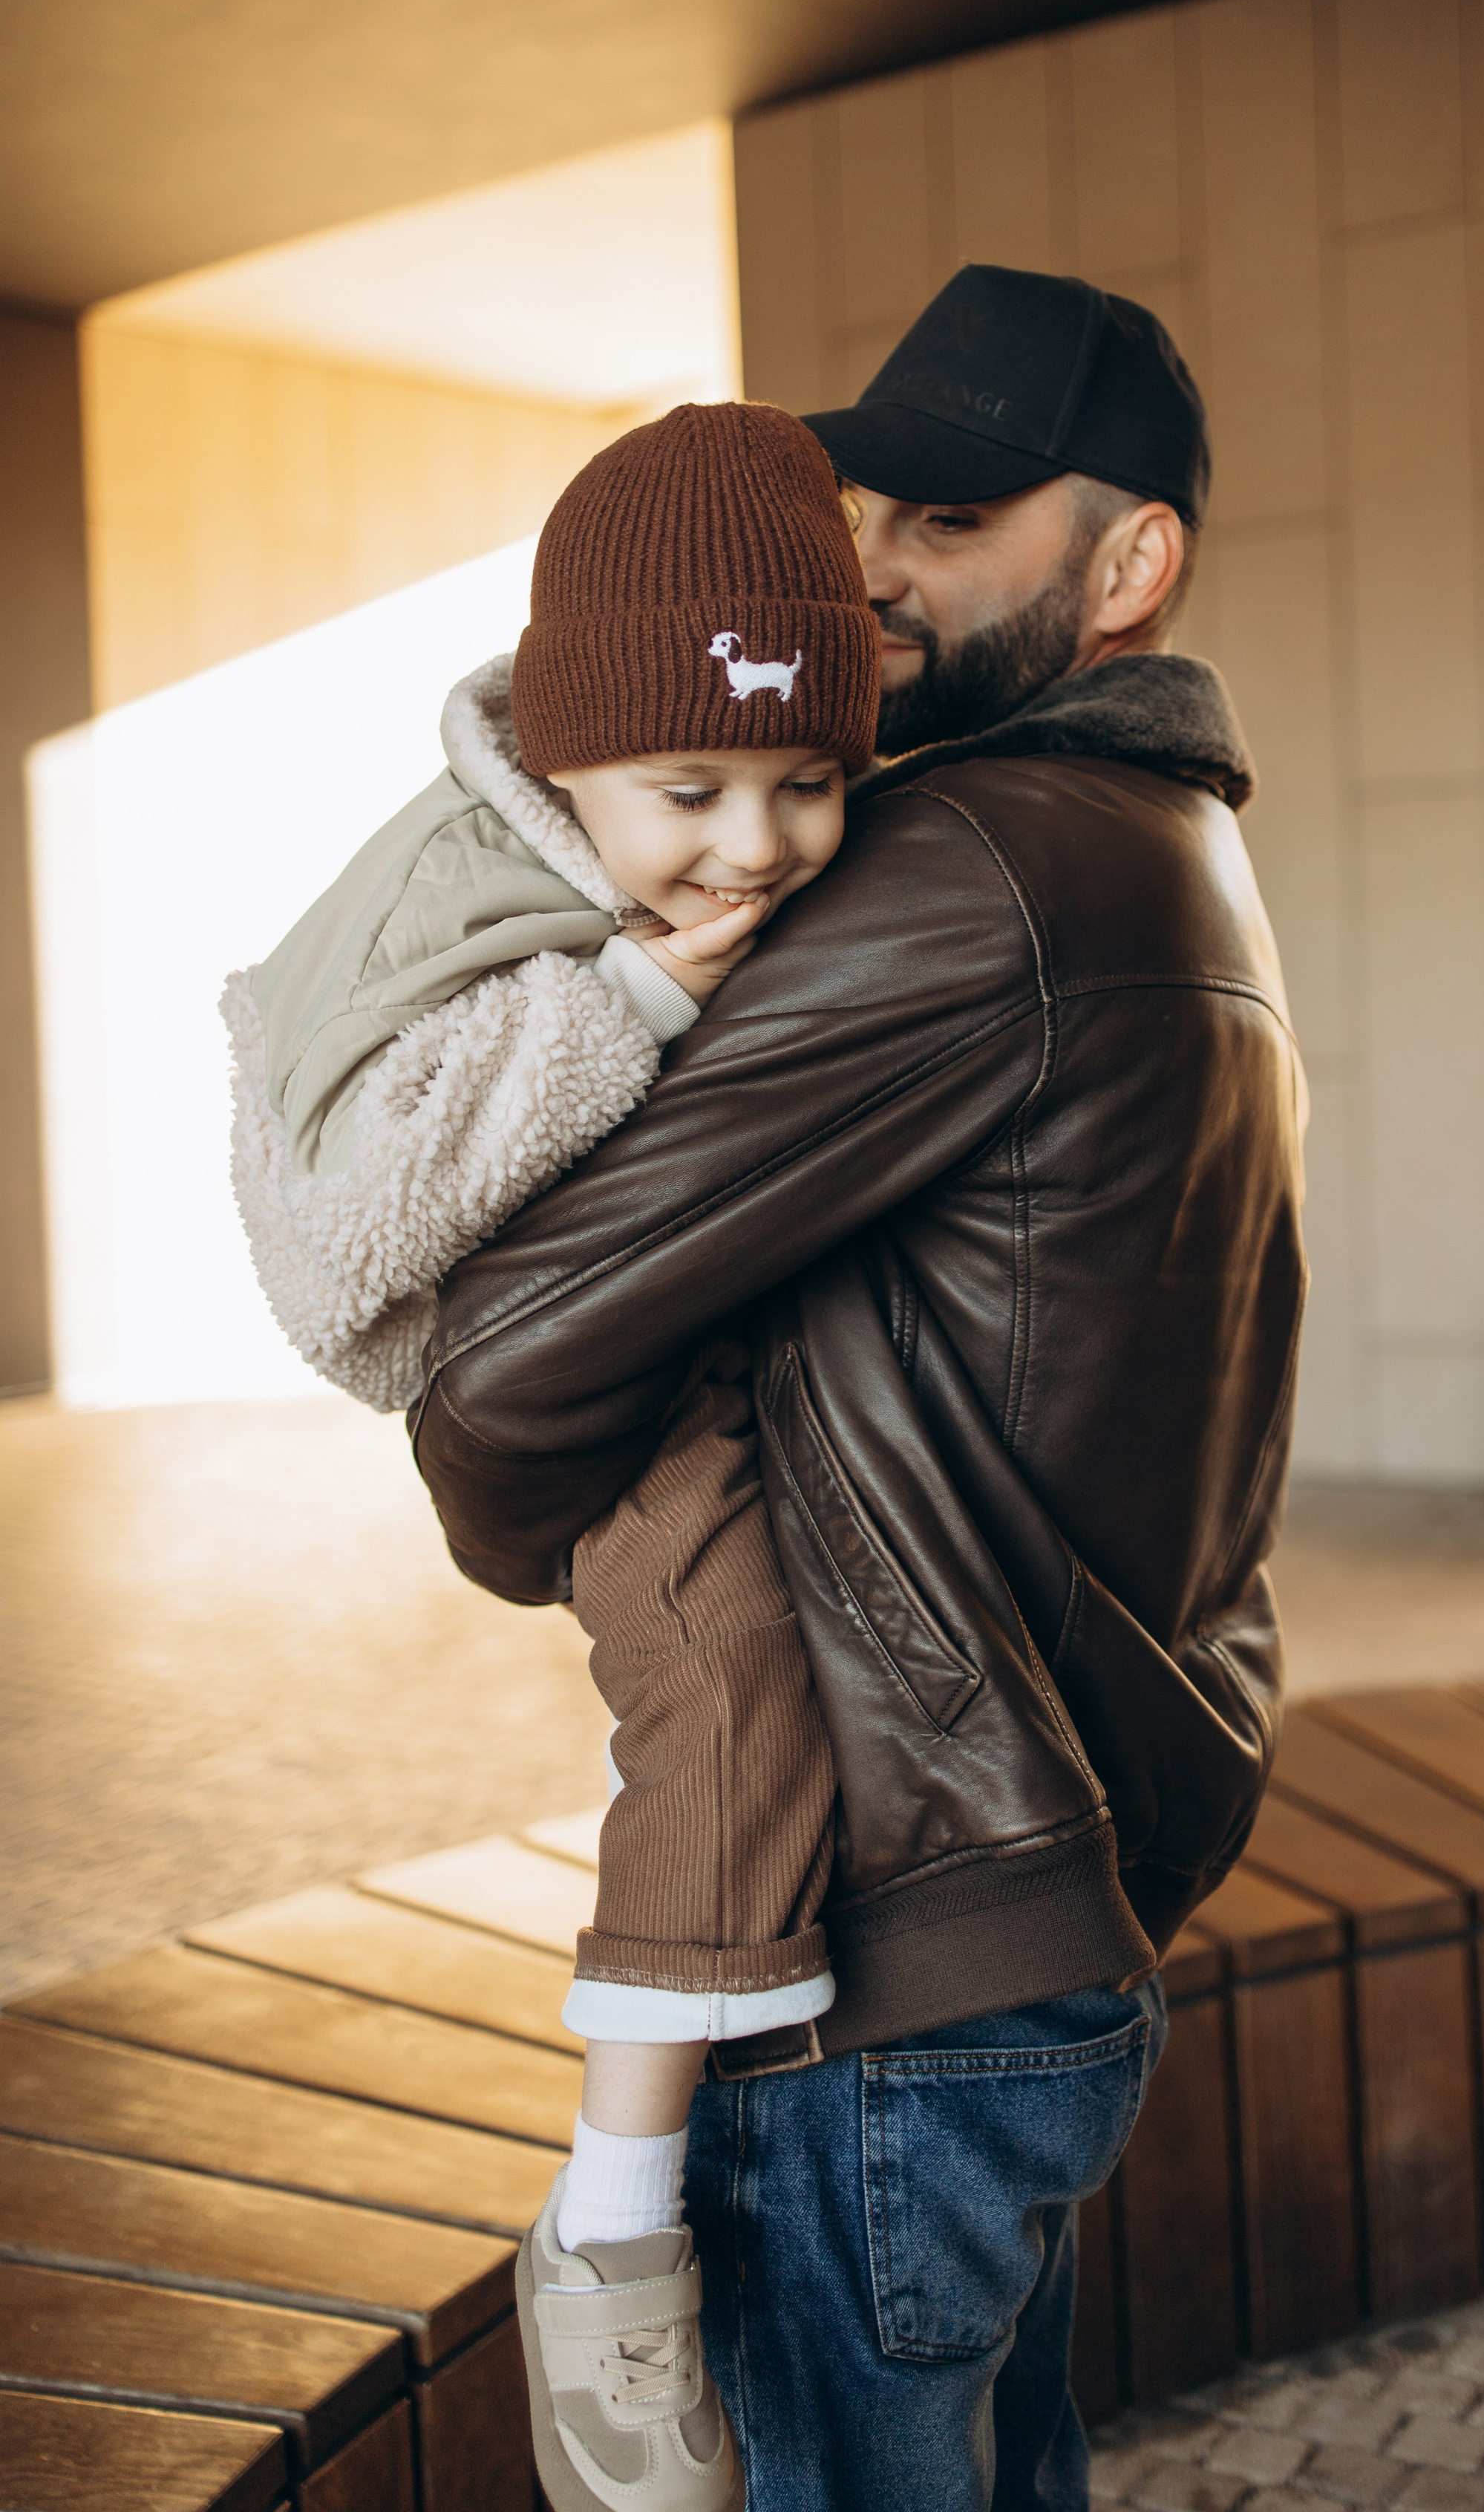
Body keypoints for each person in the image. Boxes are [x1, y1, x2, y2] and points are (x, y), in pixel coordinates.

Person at [411, 265, 1308, 2512]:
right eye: (866, 508)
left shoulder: (968, 864)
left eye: (957, 523)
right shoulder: (1180, 850)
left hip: (887, 1936)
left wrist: (561, 1536)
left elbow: (501, 1371)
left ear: (1127, 566)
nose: (874, 572)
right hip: (1035, 1898)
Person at [224, 399, 888, 2512]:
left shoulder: (642, 850)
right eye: (688, 787)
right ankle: (611, 2235)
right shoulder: (487, 911)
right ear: (565, 763)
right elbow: (354, 1230)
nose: (751, 846)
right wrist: (621, 1011)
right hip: (566, 1373)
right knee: (728, 1676)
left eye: (807, 784)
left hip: (660, 1328)